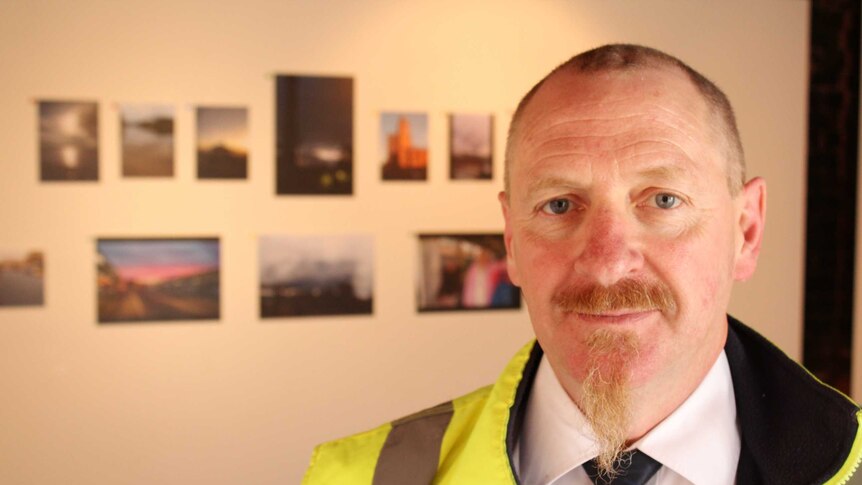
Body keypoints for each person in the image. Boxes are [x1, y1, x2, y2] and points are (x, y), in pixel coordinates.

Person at [302, 44, 862, 485]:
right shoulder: (363, 476)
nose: (607, 265)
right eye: (560, 205)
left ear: (746, 230)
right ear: (512, 241)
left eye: (662, 200)